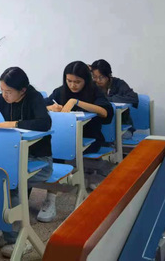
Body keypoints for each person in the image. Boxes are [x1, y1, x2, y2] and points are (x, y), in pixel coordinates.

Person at [0, 67, 53, 258]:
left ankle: (17, 240)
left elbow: (45, 123)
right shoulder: (3, 99)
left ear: (23, 90)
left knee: (10, 184)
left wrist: (13, 124)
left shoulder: (34, 98)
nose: (4, 95)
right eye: (2, 90)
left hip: (39, 161)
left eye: (8, 91)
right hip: (13, 157)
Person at [39, 61, 113, 223]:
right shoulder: (60, 91)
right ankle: (50, 198)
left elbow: (106, 112)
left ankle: (53, 195)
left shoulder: (94, 91)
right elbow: (41, 105)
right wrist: (50, 108)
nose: (72, 85)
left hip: (90, 139)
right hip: (64, 139)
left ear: (86, 80)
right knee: (54, 147)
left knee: (57, 149)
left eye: (77, 82)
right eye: (69, 81)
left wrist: (76, 102)